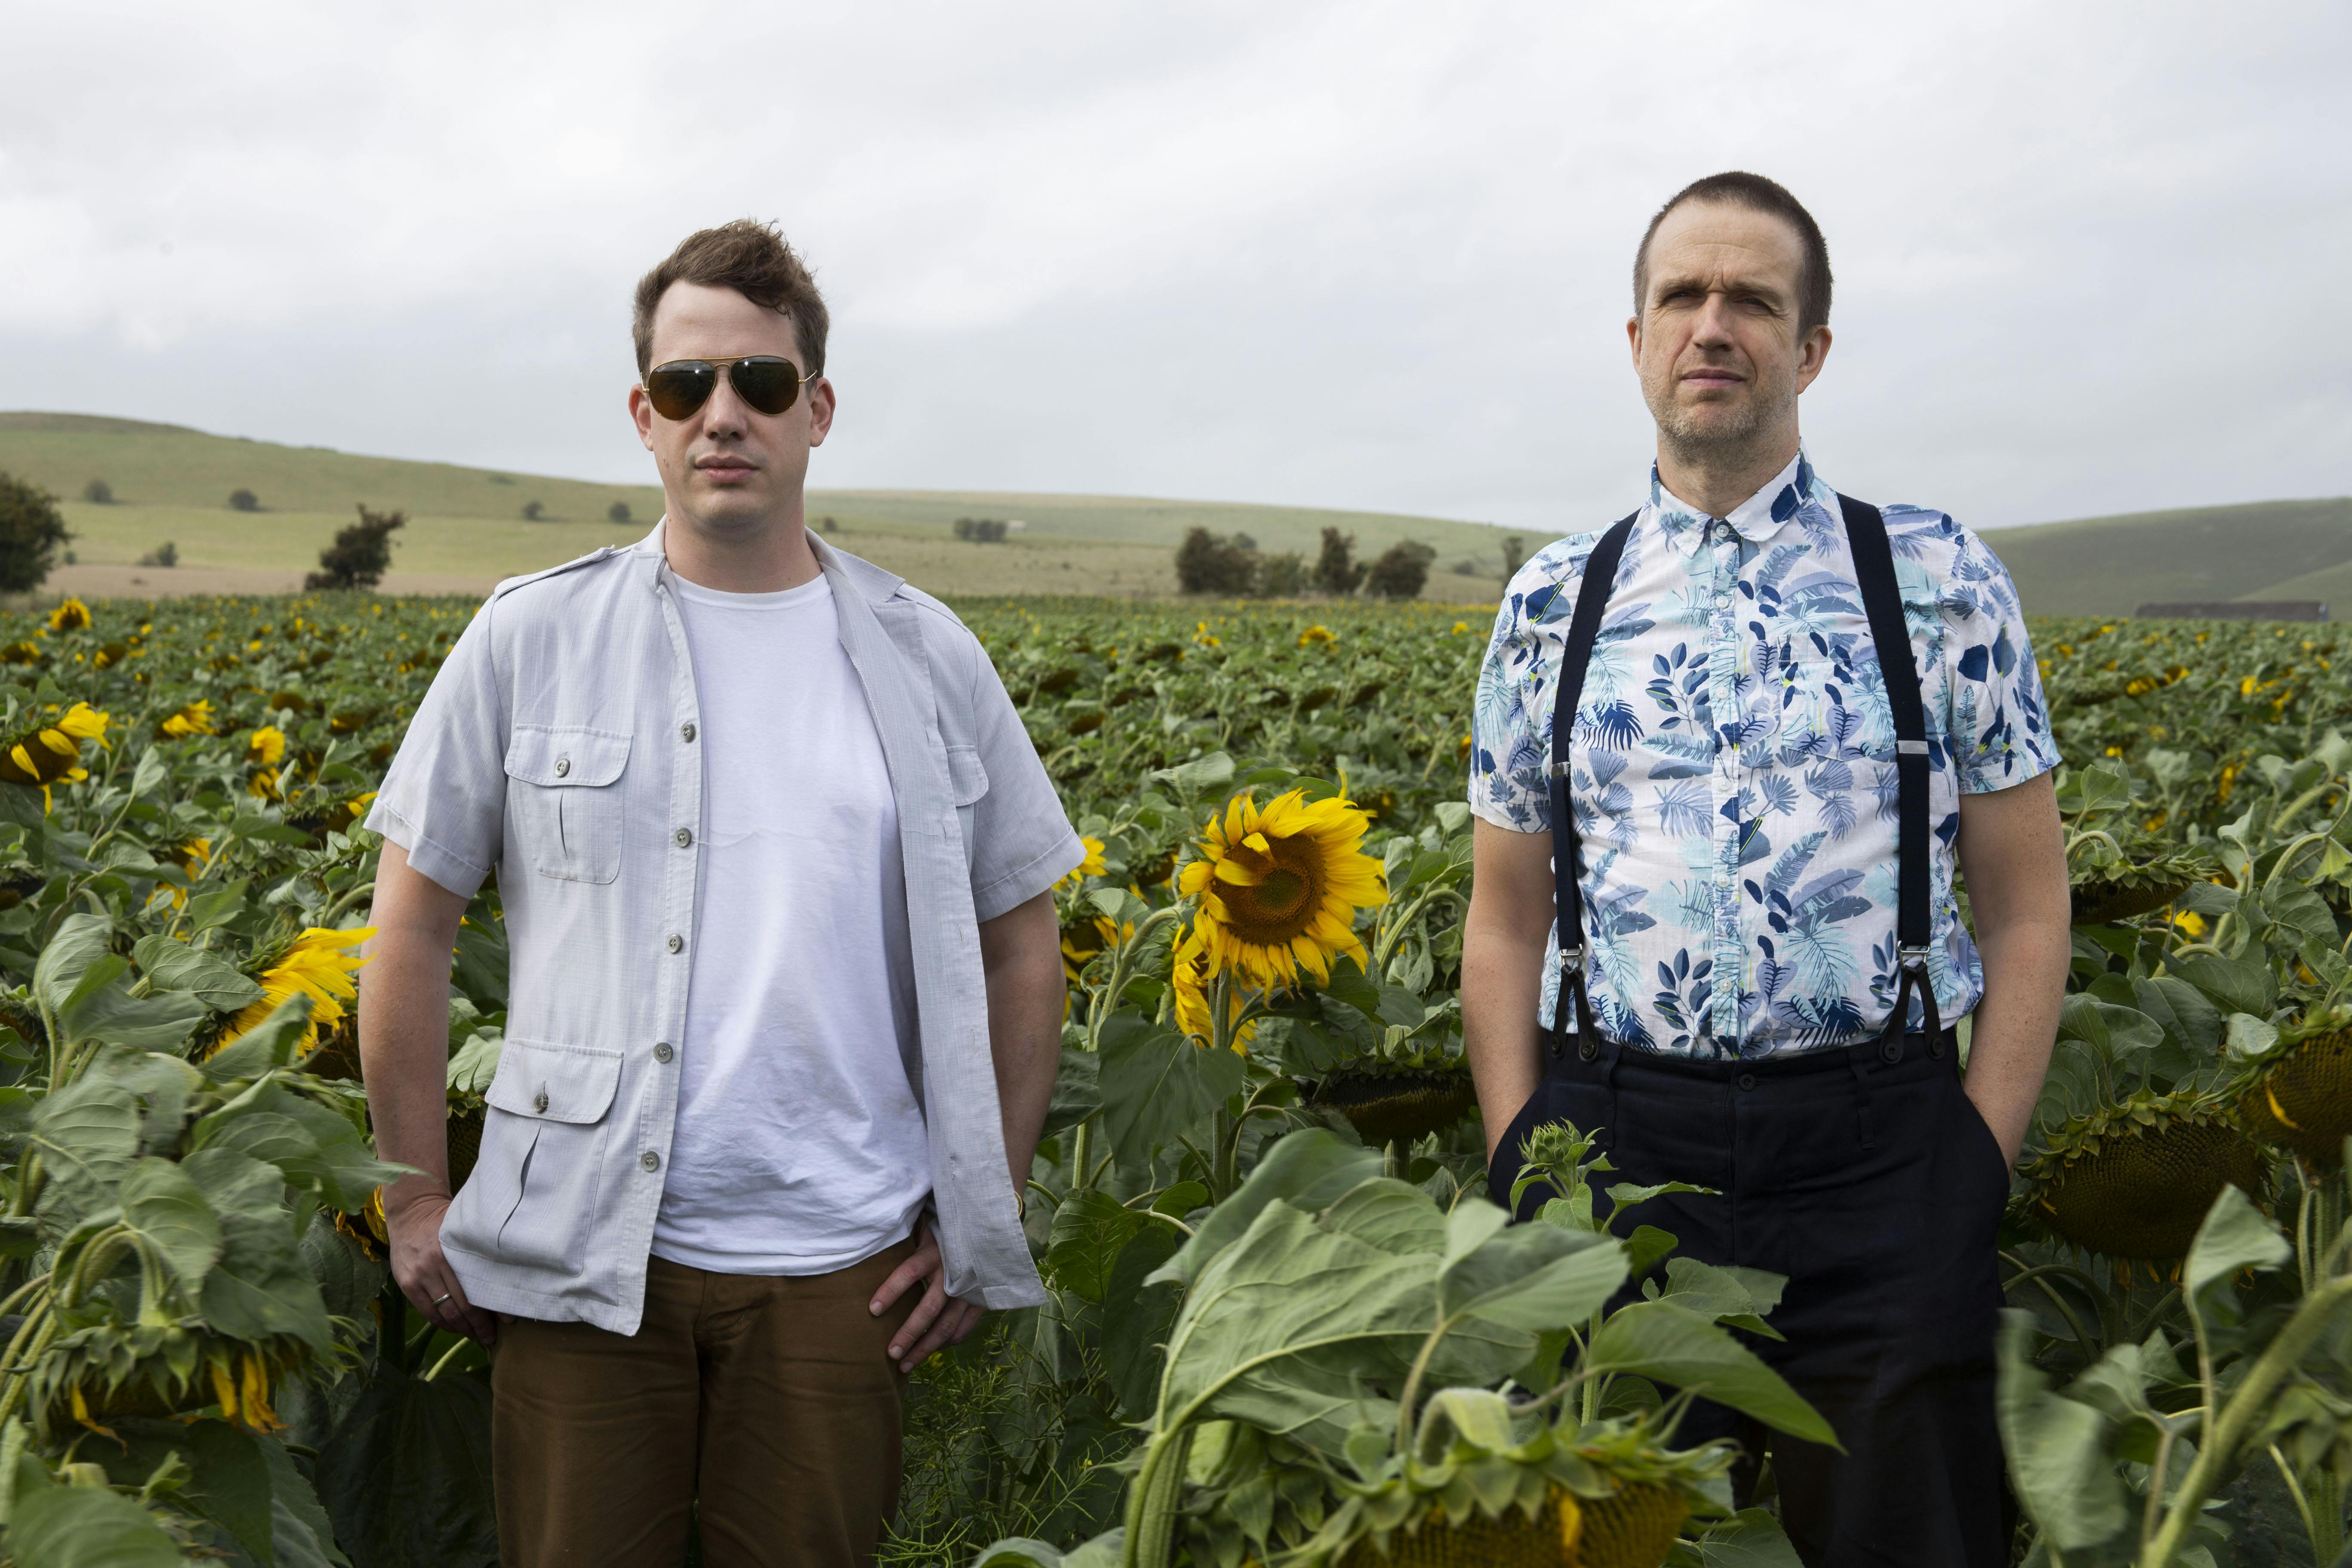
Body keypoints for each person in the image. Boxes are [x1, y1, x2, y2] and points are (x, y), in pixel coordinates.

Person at [357, 219, 1080, 1568]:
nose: (723, 415)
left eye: (760, 382)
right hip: (580, 1254)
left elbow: (1021, 940)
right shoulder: (532, 636)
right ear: (645, 415)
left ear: (817, 410)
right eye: (689, 387)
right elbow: (413, 919)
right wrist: (409, 1199)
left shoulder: (930, 655)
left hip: (839, 1265)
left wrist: (991, 1200)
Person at [1464, 172, 2070, 1565]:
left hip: (1882, 1162)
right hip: (1616, 1166)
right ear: (1635, 341)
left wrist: (1972, 1165)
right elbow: (1505, 922)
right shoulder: (1554, 600)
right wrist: (1518, 1167)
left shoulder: (1936, 577)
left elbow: (2029, 907)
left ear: (1811, 351)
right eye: (1684, 295)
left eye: (1755, 299)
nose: (1714, 325)